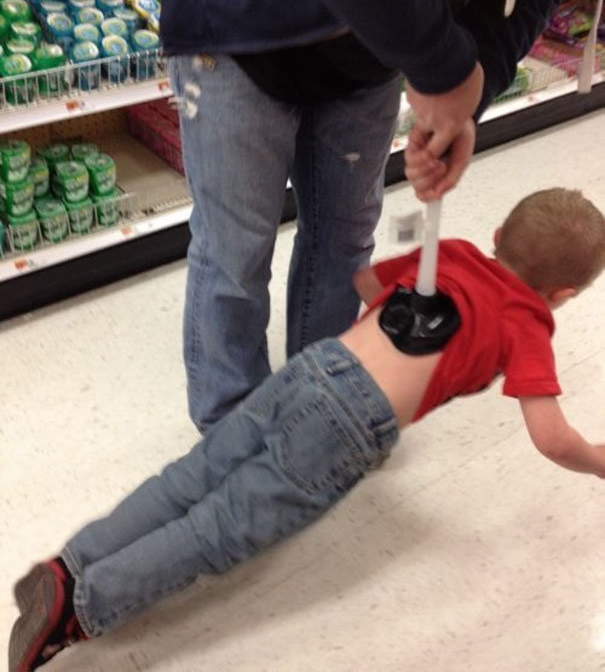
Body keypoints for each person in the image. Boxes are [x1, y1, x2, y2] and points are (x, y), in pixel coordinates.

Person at [9, 187, 605, 672]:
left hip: (317, 364)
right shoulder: (528, 322)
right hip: (349, 423)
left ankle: (70, 565)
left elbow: (368, 284)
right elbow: (552, 438)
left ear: (498, 236)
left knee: (188, 479)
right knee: (218, 528)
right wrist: (598, 459)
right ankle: (82, 608)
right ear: (562, 295)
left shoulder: (455, 252)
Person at [153, 0, 605, 430]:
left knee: (345, 235)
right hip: (238, 2)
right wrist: (442, 67)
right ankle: (229, 431)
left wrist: (468, 87)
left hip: (373, 44)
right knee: (235, 251)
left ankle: (321, 402)